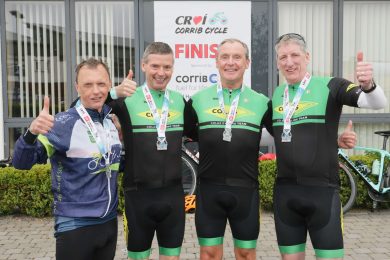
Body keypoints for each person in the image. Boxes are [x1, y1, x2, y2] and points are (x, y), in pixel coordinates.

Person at [185, 38, 359, 260]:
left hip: (246, 193)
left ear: (246, 63)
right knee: (208, 253)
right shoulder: (198, 101)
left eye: (237, 57)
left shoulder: (261, 103)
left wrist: (333, 140)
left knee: (247, 253)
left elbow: (290, 133)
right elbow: (179, 131)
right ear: (216, 62)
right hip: (209, 191)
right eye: (225, 57)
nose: (231, 62)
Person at [270, 33, 387, 260]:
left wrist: (369, 85)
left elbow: (375, 102)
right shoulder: (276, 96)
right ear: (277, 62)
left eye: (295, 55)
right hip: (285, 195)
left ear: (307, 57)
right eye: (283, 57)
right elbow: (271, 134)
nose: (289, 61)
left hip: (323, 194)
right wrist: (333, 141)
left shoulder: (331, 86)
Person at [12, 58, 122, 260]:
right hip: (76, 225)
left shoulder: (110, 123)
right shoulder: (61, 123)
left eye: (101, 84)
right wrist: (31, 133)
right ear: (77, 87)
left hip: (108, 223)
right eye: (88, 85)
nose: (96, 91)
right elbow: (20, 163)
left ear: (109, 85)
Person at [109, 42, 187, 260]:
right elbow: (83, 106)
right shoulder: (125, 100)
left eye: (167, 67)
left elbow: (202, 132)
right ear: (143, 66)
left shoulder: (179, 101)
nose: (161, 73)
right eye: (155, 66)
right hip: (138, 198)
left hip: (173, 198)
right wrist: (113, 91)